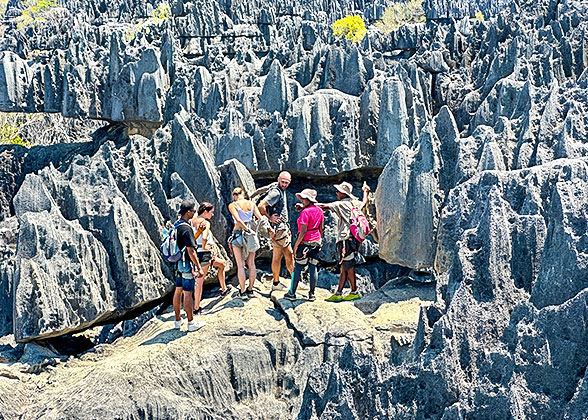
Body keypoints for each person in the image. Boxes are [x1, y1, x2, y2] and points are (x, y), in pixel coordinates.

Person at [317, 182, 370, 302]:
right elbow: (364, 202)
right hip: (354, 239)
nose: (336, 193)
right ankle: (339, 292)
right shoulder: (354, 203)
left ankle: (354, 291)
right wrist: (365, 192)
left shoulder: (341, 204)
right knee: (344, 266)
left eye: (338, 191)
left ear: (343, 194)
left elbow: (323, 206)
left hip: (345, 239)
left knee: (349, 265)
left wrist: (306, 204)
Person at [191, 202, 231, 314]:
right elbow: (204, 237)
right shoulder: (205, 223)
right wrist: (205, 246)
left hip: (195, 253)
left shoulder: (192, 221)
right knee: (199, 281)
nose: (212, 215)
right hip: (204, 254)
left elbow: (191, 237)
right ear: (205, 212)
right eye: (211, 212)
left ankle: (224, 289)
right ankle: (196, 308)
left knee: (222, 264)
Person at [284, 189, 324, 302]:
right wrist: (318, 239)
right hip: (316, 242)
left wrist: (296, 245)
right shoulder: (319, 210)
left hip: (304, 242)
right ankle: (311, 294)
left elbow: (303, 230)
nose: (301, 200)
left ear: (308, 200)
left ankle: (292, 293)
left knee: (298, 267)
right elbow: (321, 227)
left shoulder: (305, 213)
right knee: (313, 267)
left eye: (303, 199)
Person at [172, 200, 206, 331]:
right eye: (193, 211)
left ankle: (177, 321)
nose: (195, 213)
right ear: (188, 212)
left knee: (178, 290)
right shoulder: (186, 228)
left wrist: (197, 233)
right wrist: (199, 268)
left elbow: (184, 243)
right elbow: (191, 250)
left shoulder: (177, 225)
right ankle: (191, 323)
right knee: (187, 293)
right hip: (186, 264)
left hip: (178, 263)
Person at [228, 187, 267, 300]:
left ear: (234, 196)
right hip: (250, 235)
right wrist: (254, 231)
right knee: (251, 263)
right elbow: (260, 218)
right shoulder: (251, 204)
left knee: (240, 264)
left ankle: (243, 291)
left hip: (238, 233)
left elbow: (238, 220)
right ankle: (251, 289)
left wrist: (245, 229)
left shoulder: (233, 205)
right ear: (243, 194)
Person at [258, 171, 294, 291]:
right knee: (290, 255)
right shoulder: (275, 192)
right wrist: (270, 218)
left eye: (286, 183)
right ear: (278, 179)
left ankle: (276, 283)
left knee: (277, 257)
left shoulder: (279, 190)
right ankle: (295, 283)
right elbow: (260, 206)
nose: (284, 184)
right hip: (279, 230)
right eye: (282, 182)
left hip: (278, 229)